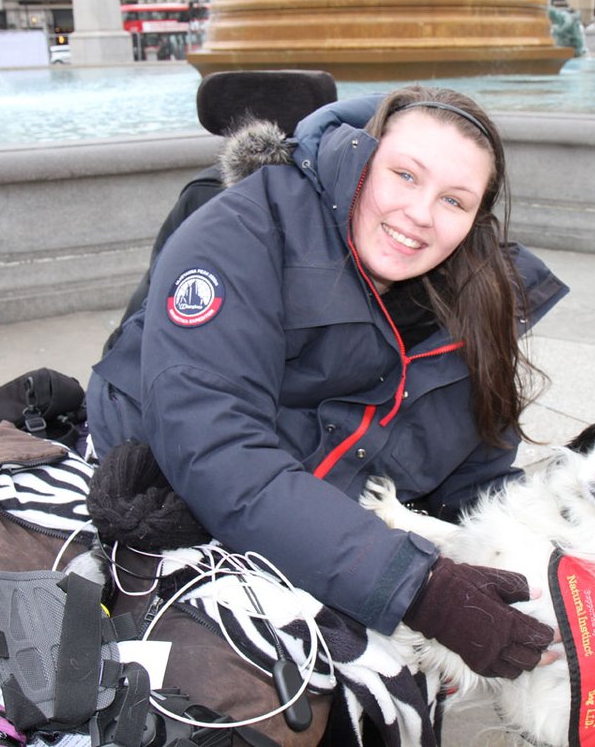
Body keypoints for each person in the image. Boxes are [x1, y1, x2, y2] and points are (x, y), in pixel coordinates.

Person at [86, 84, 569, 743]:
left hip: (325, 531)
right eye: (404, 174)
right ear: (361, 157)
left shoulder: (476, 310)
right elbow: (219, 449)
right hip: (176, 495)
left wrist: (570, 561)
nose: (420, 214)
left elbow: (472, 492)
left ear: (479, 218)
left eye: (454, 201)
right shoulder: (245, 230)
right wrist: (419, 588)